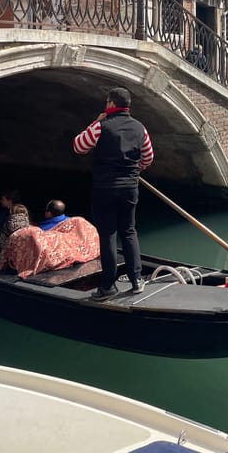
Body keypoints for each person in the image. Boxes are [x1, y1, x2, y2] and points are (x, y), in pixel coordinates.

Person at [73, 86, 154, 301]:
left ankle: (108, 286)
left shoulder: (100, 126)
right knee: (129, 231)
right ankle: (136, 280)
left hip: (105, 189)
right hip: (129, 187)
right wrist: (135, 169)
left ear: (110, 104)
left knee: (108, 235)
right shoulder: (140, 128)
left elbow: (79, 146)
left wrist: (94, 121)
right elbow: (148, 157)